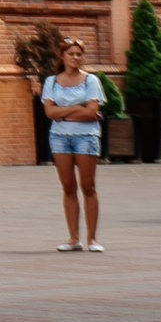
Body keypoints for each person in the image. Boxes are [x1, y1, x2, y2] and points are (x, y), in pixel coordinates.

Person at [38, 33, 108, 251]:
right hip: (59, 138)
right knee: (68, 187)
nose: (76, 58)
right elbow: (49, 112)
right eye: (71, 54)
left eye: (79, 54)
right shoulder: (52, 81)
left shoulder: (91, 81)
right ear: (62, 56)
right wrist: (77, 108)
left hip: (86, 137)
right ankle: (73, 238)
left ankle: (92, 239)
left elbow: (91, 112)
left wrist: (65, 113)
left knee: (88, 186)